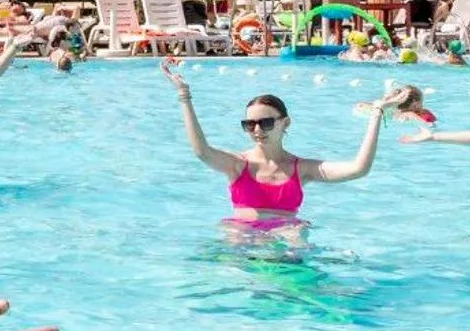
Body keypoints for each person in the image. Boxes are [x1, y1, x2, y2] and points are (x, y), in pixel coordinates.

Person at [161, 60, 398, 228]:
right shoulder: (237, 165)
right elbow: (201, 151)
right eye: (249, 124)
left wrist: (377, 113)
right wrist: (184, 95)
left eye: (265, 123)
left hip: (285, 240)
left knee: (295, 235)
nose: (256, 130)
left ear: (285, 123)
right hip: (242, 239)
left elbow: (359, 168)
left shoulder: (302, 169)